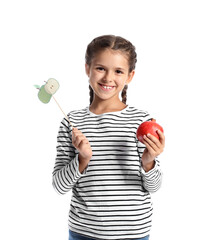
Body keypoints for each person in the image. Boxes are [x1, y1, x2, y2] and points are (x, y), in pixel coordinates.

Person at [52, 35, 165, 240]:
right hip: (83, 233)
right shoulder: (71, 122)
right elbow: (59, 186)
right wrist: (82, 159)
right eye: (100, 68)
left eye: (118, 71)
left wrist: (149, 163)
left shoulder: (141, 121)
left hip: (134, 234)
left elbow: (155, 187)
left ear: (130, 76)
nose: (108, 78)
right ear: (87, 68)